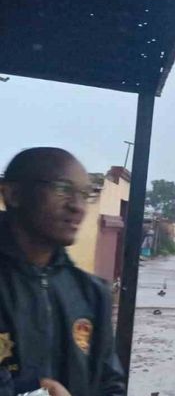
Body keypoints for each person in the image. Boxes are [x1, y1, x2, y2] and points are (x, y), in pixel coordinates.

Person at [0, 148, 125, 396]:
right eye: (62, 189)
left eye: (85, 194)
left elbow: (110, 385)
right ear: (13, 194)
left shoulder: (91, 293)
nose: (78, 207)